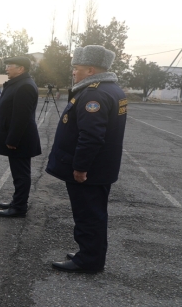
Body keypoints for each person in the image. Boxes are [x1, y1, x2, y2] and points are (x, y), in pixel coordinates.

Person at [46, 45, 127, 273]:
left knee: (88, 215)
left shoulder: (95, 93)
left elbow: (91, 136)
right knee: (94, 213)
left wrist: (80, 167)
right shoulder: (112, 89)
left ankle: (88, 261)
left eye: (77, 68)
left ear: (91, 70)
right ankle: (91, 253)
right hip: (101, 167)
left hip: (90, 171)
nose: (73, 72)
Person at [0, 56, 41, 217]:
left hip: (20, 140)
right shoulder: (18, 83)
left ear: (21, 69)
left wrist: (12, 139)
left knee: (21, 175)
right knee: (18, 174)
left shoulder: (24, 86)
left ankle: (19, 207)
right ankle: (17, 201)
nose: (6, 68)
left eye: (10, 66)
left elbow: (21, 117)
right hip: (17, 138)